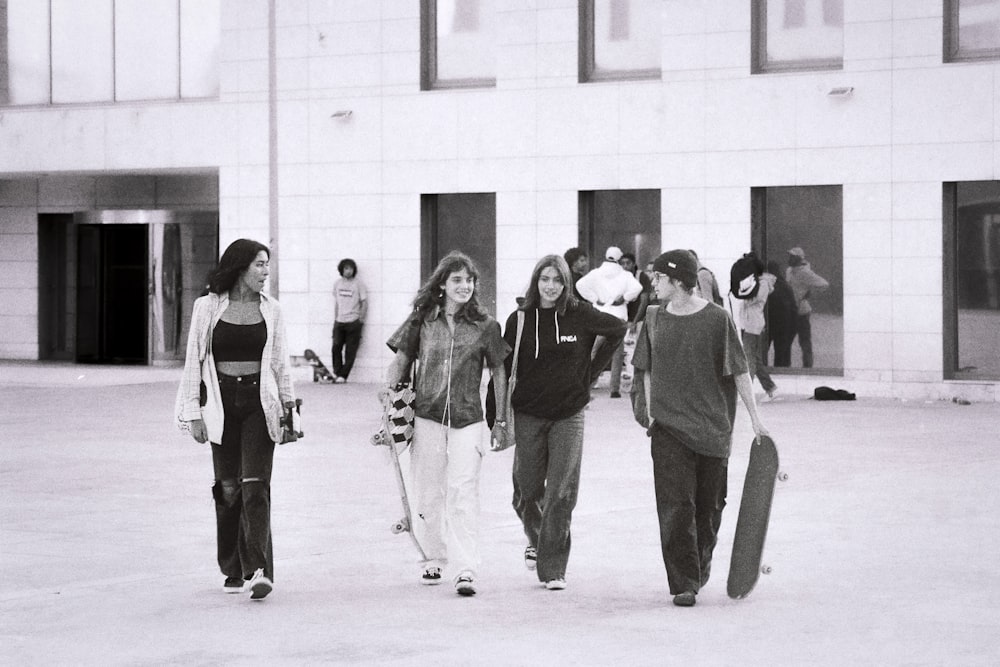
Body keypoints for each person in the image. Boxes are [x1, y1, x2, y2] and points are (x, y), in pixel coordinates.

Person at [632, 249, 768, 608]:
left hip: (711, 430)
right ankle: (684, 583)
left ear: (678, 281)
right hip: (668, 430)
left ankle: (698, 566)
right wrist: (651, 412)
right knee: (676, 507)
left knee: (710, 508)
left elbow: (739, 369)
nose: (653, 283)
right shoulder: (654, 317)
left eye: (658, 277)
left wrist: (755, 418)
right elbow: (644, 367)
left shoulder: (716, 319)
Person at [174, 239, 297, 600]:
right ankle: (232, 567)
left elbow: (280, 364)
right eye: (259, 265)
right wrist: (192, 413)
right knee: (228, 489)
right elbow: (192, 362)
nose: (265, 272)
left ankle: (259, 568)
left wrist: (290, 413)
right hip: (221, 402)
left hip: (260, 402)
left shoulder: (272, 310)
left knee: (255, 485)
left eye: (267, 266)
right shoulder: (207, 306)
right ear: (241, 267)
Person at [384, 251, 510, 597]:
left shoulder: (486, 325)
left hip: (468, 418)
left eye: (469, 280)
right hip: (426, 415)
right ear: (442, 284)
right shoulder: (423, 319)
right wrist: (388, 402)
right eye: (457, 280)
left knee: (463, 491)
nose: (464, 286)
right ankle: (432, 558)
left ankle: (466, 567)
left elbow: (499, 370)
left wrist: (501, 418)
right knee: (428, 490)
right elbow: (401, 359)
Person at [501, 255, 626, 590]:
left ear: (566, 282)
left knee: (560, 493)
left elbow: (618, 329)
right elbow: (502, 369)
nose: (551, 286)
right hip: (528, 413)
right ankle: (539, 539)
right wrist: (493, 414)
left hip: (569, 414)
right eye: (545, 279)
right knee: (527, 491)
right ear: (535, 281)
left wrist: (592, 370)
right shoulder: (520, 319)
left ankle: (553, 567)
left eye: (557, 279)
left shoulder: (579, 314)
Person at [575, 246, 643, 388]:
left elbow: (580, 284)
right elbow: (637, 288)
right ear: (619, 258)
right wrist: (624, 298)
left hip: (599, 313)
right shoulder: (625, 275)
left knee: (593, 350)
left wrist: (594, 299)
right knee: (617, 354)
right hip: (618, 315)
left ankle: (587, 382)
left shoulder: (596, 273)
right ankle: (614, 388)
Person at [608, 252, 652, 398]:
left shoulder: (641, 276)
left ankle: (638, 386)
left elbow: (644, 300)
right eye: (622, 263)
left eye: (628, 263)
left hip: (638, 320)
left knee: (637, 353)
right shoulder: (618, 278)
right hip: (622, 320)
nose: (625, 266)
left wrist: (634, 321)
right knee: (619, 354)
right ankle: (615, 388)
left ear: (633, 264)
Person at [735, 253, 778, 399]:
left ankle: (747, 391)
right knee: (754, 358)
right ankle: (770, 387)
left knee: (749, 359)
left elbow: (751, 299)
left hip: (753, 324)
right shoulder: (753, 281)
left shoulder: (763, 283)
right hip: (747, 323)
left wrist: (742, 287)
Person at [786, 247, 829, 368]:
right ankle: (785, 367)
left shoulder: (805, 272)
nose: (789, 258)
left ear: (799, 259)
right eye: (790, 256)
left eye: (792, 256)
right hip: (789, 311)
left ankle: (808, 368)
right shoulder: (789, 270)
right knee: (786, 342)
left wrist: (810, 293)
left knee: (805, 342)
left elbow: (824, 284)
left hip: (802, 312)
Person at [330, 258, 367, 383]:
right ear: (341, 270)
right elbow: (337, 302)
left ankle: (343, 376)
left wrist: (360, 320)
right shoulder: (337, 283)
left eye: (350, 268)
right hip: (339, 321)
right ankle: (337, 372)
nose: (348, 271)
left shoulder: (358, 284)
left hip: (353, 321)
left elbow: (364, 302)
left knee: (350, 351)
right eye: (346, 268)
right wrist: (336, 318)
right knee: (336, 347)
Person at [763, 260, 797, 367]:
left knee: (762, 354)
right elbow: (793, 309)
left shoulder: (765, 286)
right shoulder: (785, 286)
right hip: (783, 324)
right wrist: (793, 329)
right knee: (782, 356)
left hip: (769, 324)